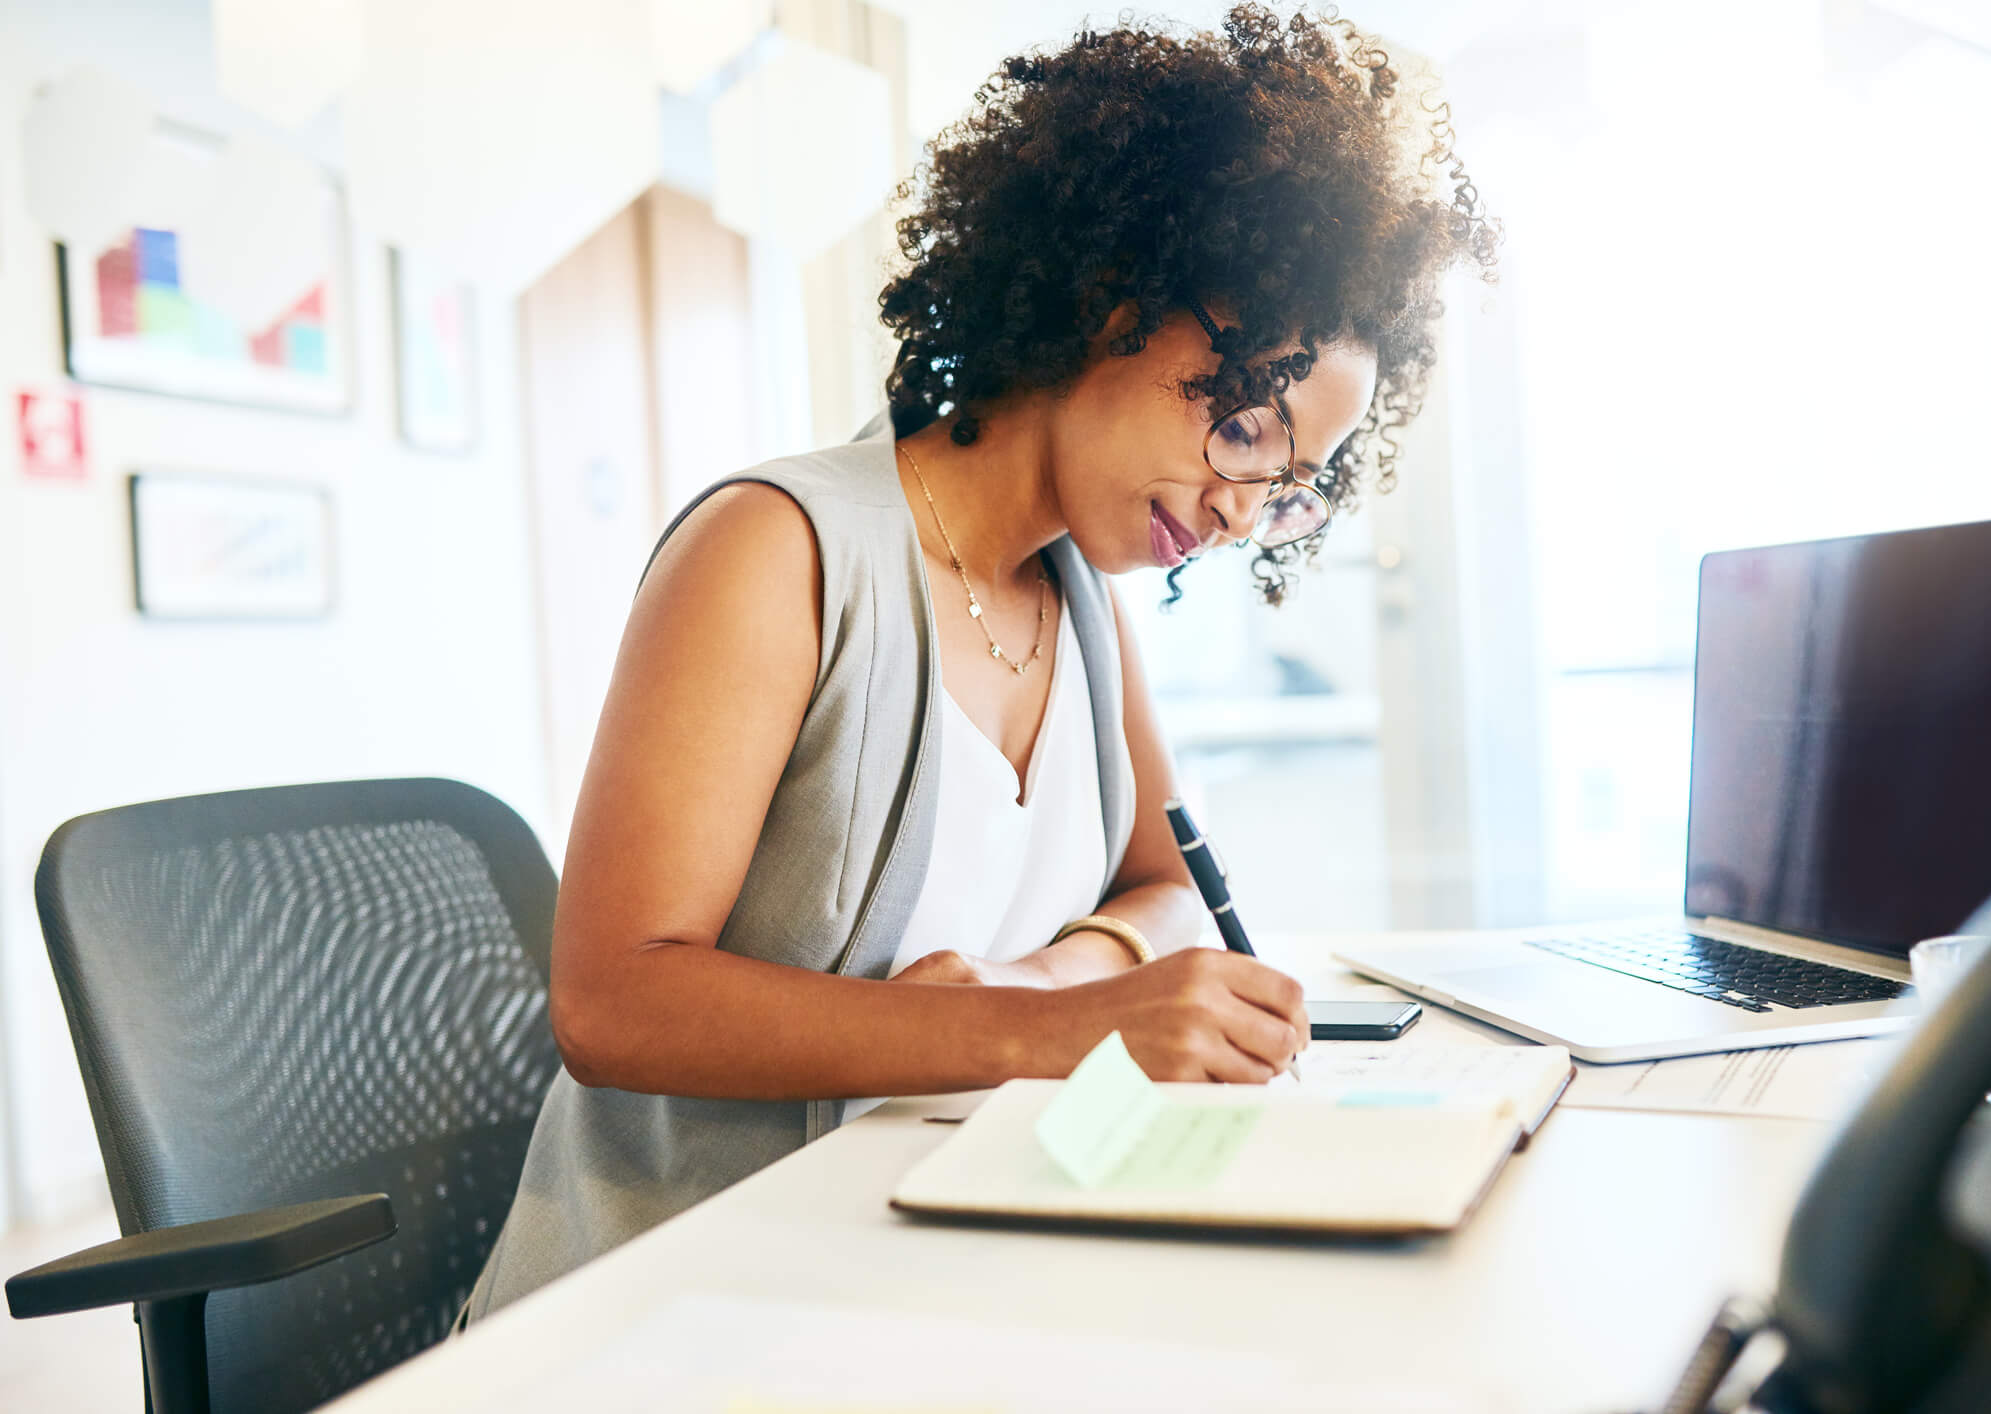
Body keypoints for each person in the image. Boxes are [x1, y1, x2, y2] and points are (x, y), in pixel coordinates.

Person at [466, 2, 1497, 1319]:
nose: (1243, 507)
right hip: (676, 1307)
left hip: (927, 1269)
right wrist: (1048, 1032)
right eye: (1243, 424)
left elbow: (1169, 887)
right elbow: (611, 1003)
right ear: (1109, 300)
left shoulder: (1080, 591)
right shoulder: (774, 550)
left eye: (1288, 484)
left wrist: (1056, 977)